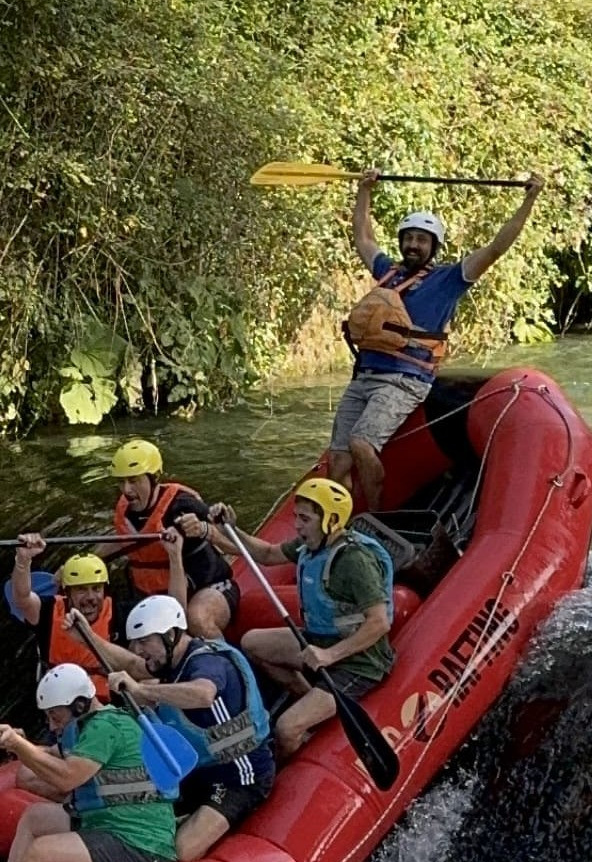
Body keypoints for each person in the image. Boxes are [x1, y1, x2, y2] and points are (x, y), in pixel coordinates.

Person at [333, 169, 545, 510]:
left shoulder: (450, 279)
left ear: (433, 246)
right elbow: (363, 238)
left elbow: (496, 248)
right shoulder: (388, 272)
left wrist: (528, 200)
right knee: (339, 461)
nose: (414, 245)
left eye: (422, 240)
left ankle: (374, 518)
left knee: (361, 444)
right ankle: (333, 525)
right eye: (409, 238)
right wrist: (364, 190)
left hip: (404, 381)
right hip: (365, 377)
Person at [200, 477, 395, 759]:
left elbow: (379, 622)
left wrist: (329, 655)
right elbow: (266, 554)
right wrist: (229, 528)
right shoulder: (312, 545)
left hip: (358, 662)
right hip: (320, 639)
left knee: (286, 728)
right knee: (252, 643)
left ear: (330, 520)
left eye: (305, 518)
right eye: (296, 517)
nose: (298, 525)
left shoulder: (355, 561)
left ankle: (293, 757)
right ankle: (307, 696)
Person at [107, 594, 275, 862]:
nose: (138, 650)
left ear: (171, 635)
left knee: (183, 851)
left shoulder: (206, 663)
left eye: (144, 641)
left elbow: (203, 694)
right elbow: (129, 664)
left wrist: (144, 691)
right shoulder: (172, 662)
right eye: (134, 642)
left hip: (240, 776)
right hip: (199, 773)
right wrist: (85, 638)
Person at [0, 663, 179, 862]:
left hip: (139, 841)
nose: (51, 725)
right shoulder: (86, 727)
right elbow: (46, 757)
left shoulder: (106, 727)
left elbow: (67, 779)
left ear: (79, 705)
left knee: (40, 852)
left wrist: (18, 746)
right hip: (104, 822)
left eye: (55, 717)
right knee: (34, 816)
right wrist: (21, 743)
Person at [101, 439, 240, 640]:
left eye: (133, 481)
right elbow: (124, 540)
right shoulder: (127, 510)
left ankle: (225, 663)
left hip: (210, 586)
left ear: (153, 478)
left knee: (197, 620)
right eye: (121, 481)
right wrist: (83, 561)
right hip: (156, 594)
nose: (126, 490)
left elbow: (236, 546)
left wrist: (204, 530)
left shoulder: (184, 505)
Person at [9, 546, 119, 699]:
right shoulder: (48, 611)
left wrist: (166, 552)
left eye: (96, 589)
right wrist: (23, 561)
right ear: (67, 592)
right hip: (59, 699)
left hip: (103, 701)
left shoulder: (117, 612)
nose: (91, 597)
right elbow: (22, 599)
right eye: (81, 590)